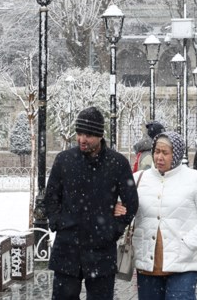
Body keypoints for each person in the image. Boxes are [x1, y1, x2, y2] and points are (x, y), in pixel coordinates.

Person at [44, 106, 139, 300]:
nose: (82, 139)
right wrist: (57, 223)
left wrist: (114, 229)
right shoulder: (64, 160)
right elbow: (51, 196)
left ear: (99, 135)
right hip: (67, 248)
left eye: (88, 135)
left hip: (101, 250)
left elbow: (132, 202)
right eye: (79, 133)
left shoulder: (117, 163)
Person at [132, 130, 197, 300]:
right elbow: (125, 212)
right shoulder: (139, 179)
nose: (159, 157)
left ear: (177, 154)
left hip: (184, 263)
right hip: (148, 264)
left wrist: (189, 243)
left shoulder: (194, 179)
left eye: (165, 153)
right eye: (157, 152)